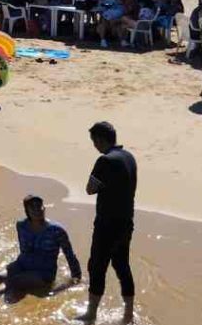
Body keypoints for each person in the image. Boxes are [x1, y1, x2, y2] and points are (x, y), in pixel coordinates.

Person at [0, 195, 81, 300]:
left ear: (44, 208)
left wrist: (76, 277)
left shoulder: (57, 231)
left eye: (39, 206)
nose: (37, 210)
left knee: (14, 281)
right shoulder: (21, 225)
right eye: (33, 207)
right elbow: (24, 249)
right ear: (27, 211)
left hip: (43, 273)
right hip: (22, 264)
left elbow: (69, 254)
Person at [79, 122, 137, 324]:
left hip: (106, 224)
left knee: (97, 267)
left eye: (94, 141)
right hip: (126, 222)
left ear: (101, 140)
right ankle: (128, 314)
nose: (94, 146)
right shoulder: (129, 157)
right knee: (122, 266)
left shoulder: (105, 161)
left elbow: (90, 189)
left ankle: (91, 314)